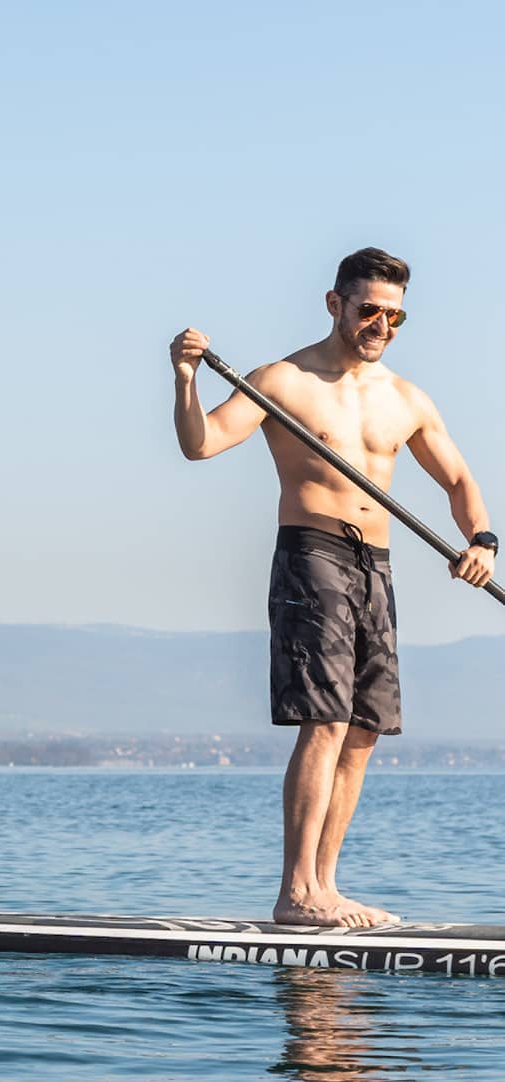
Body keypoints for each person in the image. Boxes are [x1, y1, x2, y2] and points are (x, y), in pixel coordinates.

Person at [171, 248, 496, 930]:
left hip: (376, 565)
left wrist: (481, 543)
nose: (382, 324)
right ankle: (296, 892)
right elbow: (200, 445)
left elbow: (461, 482)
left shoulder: (406, 398)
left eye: (395, 315)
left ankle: (327, 885)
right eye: (369, 310)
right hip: (311, 555)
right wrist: (184, 380)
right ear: (335, 304)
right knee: (326, 719)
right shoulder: (281, 381)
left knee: (365, 729)